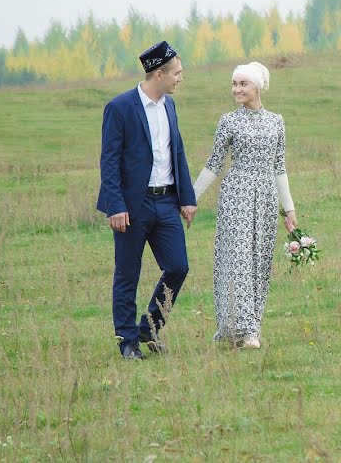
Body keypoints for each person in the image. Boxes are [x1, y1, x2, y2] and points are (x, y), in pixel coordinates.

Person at [97, 41, 198, 360]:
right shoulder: (120, 107)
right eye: (177, 73)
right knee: (128, 271)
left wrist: (187, 197)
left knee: (178, 266)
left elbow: (177, 152)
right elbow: (109, 160)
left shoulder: (169, 106)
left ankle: (149, 329)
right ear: (158, 74)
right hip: (131, 206)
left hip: (166, 202)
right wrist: (115, 205)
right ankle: (127, 341)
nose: (180, 78)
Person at [192, 61, 297, 349]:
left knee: (258, 262)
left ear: (257, 87)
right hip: (236, 196)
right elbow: (214, 164)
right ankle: (245, 331)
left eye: (243, 84)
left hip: (265, 198)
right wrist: (191, 198)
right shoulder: (228, 121)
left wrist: (289, 210)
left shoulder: (276, 121)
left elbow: (279, 167)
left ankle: (247, 326)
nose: (236, 89)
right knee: (236, 260)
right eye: (234, 84)